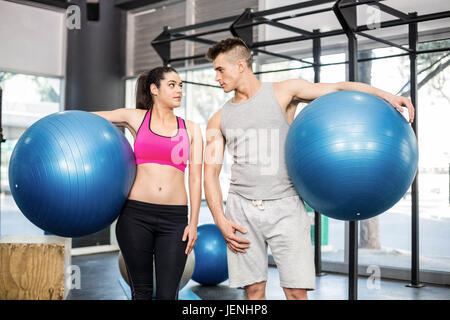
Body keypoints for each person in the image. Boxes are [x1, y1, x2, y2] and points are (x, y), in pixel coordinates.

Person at [203, 38, 415, 300]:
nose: (216, 77)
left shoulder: (284, 91)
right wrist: (220, 220)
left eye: (220, 69)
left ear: (241, 65)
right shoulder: (219, 118)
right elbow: (210, 174)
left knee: (295, 292)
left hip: (286, 206)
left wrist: (388, 96)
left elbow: (338, 87)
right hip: (241, 210)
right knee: (253, 291)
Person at [92, 66, 204, 300]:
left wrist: (193, 222)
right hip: (136, 216)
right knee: (141, 293)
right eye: (172, 85)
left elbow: (195, 176)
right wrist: (62, 121)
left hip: (175, 220)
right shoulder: (135, 117)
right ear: (154, 89)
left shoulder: (191, 129)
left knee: (167, 295)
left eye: (181, 85)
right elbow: (90, 118)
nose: (179, 90)